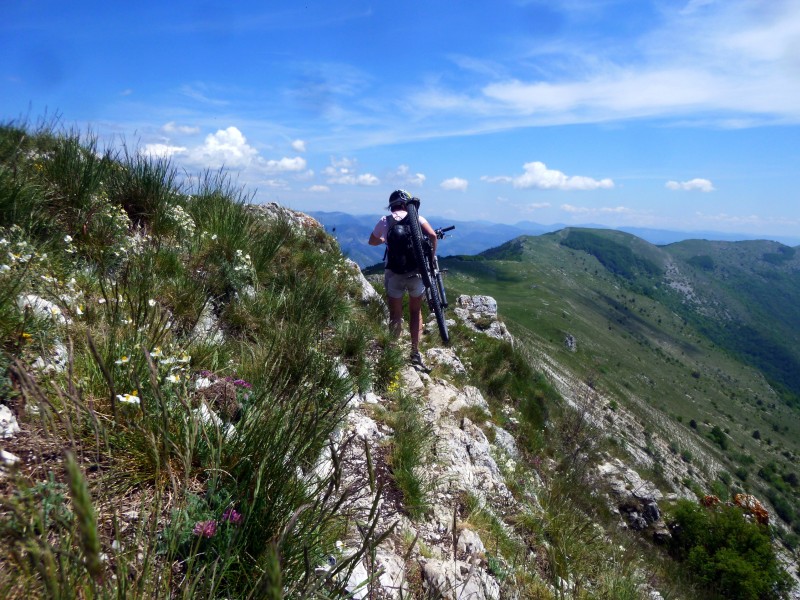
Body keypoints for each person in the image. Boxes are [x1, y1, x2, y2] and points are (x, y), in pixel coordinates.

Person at [369, 190, 438, 370]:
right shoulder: (418, 219)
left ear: (391, 205)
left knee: (396, 314)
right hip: (416, 274)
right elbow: (432, 236)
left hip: (394, 273)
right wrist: (430, 258)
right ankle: (415, 352)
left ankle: (392, 350)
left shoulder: (386, 220)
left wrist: (384, 238)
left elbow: (372, 241)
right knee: (415, 312)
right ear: (407, 204)